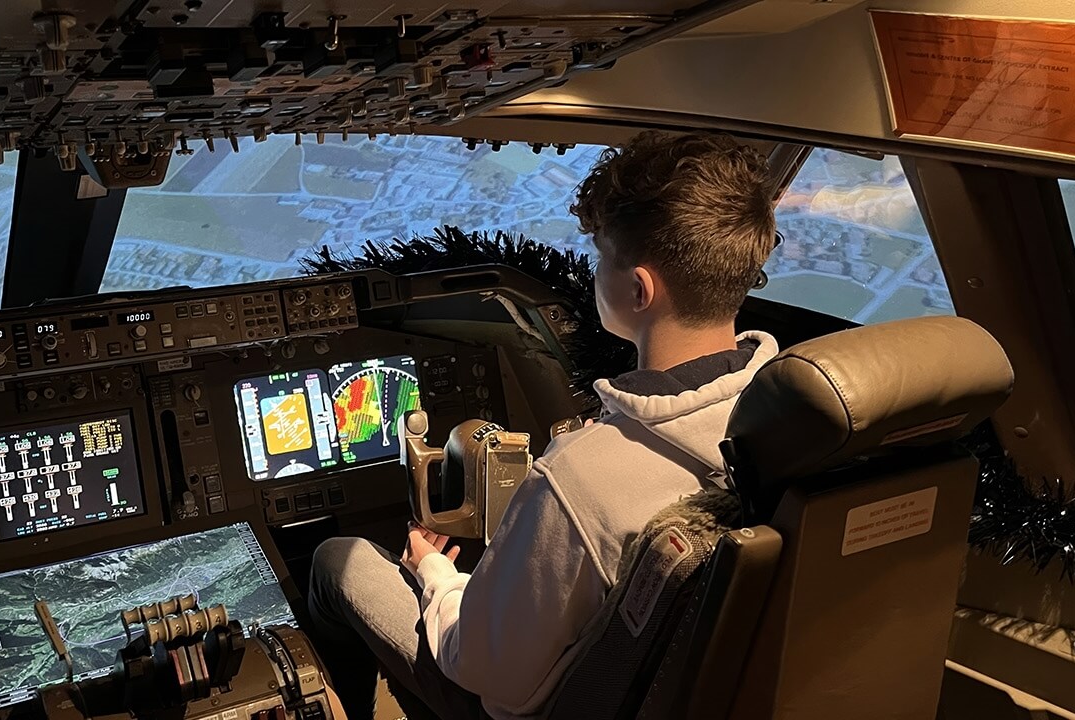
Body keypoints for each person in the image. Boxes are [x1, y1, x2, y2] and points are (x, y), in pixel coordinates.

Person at [306, 130, 783, 720]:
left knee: (337, 559)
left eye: (601, 257)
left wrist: (435, 573)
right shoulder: (785, 418)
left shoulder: (580, 478)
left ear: (639, 289)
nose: (594, 272)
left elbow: (481, 669)